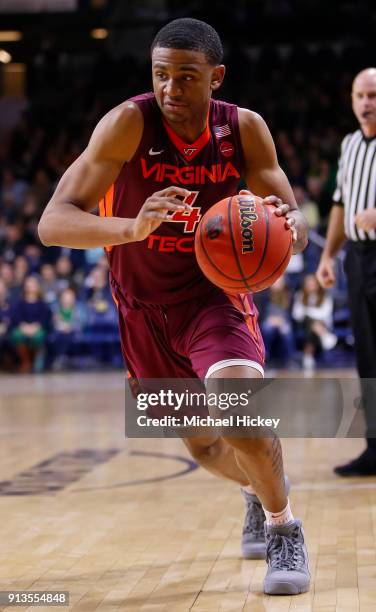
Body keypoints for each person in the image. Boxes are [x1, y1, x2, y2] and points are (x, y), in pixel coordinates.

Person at [38, 18, 310, 594]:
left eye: (186, 77)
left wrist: (293, 224)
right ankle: (255, 495)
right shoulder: (126, 124)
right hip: (142, 309)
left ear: (216, 77)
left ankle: (286, 528)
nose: (171, 89)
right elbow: (53, 223)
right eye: (161, 75)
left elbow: (292, 222)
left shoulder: (244, 129)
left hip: (215, 296)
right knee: (206, 445)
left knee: (238, 412)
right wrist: (132, 227)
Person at [316, 67, 376, 476]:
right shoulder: (350, 145)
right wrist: (328, 256)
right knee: (368, 358)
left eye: (373, 95)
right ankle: (374, 448)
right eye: (360, 95)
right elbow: (339, 204)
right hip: (358, 257)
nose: (366, 103)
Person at [292, 274, 336, 372]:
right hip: (303, 323)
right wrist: (309, 313)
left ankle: (308, 356)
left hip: (322, 323)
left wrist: (307, 312)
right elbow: (296, 314)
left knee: (312, 324)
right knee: (309, 320)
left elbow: (325, 314)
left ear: (317, 285)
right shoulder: (300, 295)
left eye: (313, 284)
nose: (310, 286)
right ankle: (324, 335)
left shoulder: (325, 296)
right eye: (308, 284)